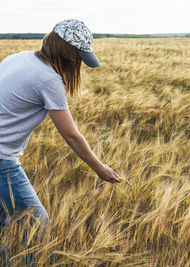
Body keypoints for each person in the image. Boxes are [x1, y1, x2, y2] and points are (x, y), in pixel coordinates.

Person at [0, 19, 121, 265]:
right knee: (36, 221)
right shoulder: (49, 79)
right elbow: (71, 135)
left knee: (6, 221)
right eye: (79, 57)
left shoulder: (18, 57)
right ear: (69, 53)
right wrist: (100, 168)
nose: (78, 64)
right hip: (2, 159)